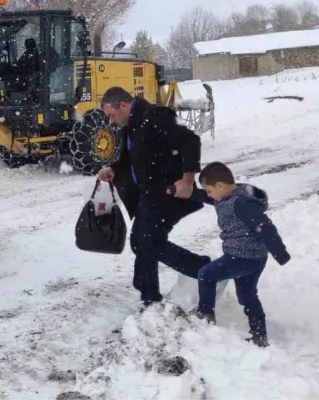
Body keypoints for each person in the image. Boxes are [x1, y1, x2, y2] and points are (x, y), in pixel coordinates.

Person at [98, 87, 210, 308]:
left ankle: (206, 270)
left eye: (112, 114)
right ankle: (149, 296)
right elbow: (136, 156)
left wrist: (187, 181)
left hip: (168, 192)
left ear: (123, 105)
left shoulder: (155, 117)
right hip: (148, 193)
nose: (111, 120)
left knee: (149, 242)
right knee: (139, 242)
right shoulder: (131, 124)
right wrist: (114, 169)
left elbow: (190, 141)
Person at [188, 162, 290, 348]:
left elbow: (265, 227)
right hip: (254, 258)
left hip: (242, 257)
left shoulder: (241, 203)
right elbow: (209, 198)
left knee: (206, 275)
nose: (209, 196)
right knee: (247, 295)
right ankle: (259, 335)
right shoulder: (232, 195)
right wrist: (191, 192)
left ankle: (205, 317)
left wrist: (280, 252)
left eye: (210, 190)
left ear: (220, 185)